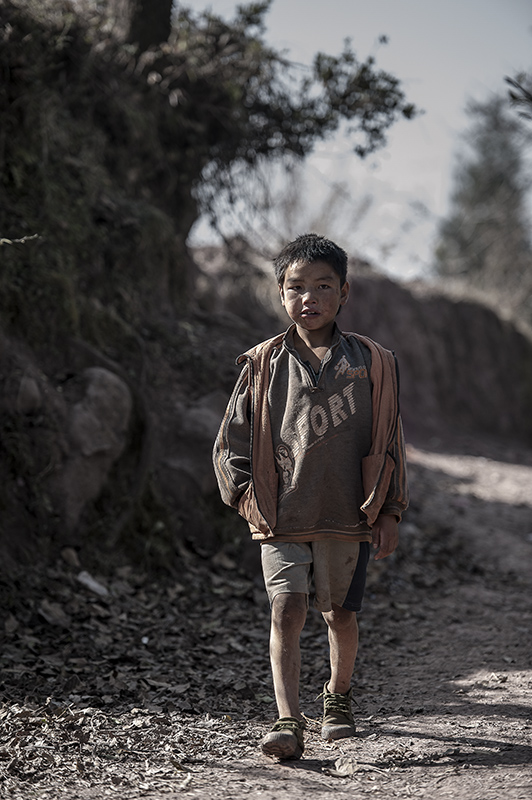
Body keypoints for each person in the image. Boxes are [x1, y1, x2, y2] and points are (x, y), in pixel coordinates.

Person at [213, 233, 408, 760]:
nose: (310, 297)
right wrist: (248, 498)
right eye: (296, 287)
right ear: (280, 294)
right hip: (282, 516)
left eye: (323, 286)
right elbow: (229, 442)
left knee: (339, 614)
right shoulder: (262, 365)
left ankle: (338, 698)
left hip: (348, 515)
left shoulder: (373, 362)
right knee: (285, 611)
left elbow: (389, 441)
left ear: (343, 293)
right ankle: (287, 719)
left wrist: (389, 510)